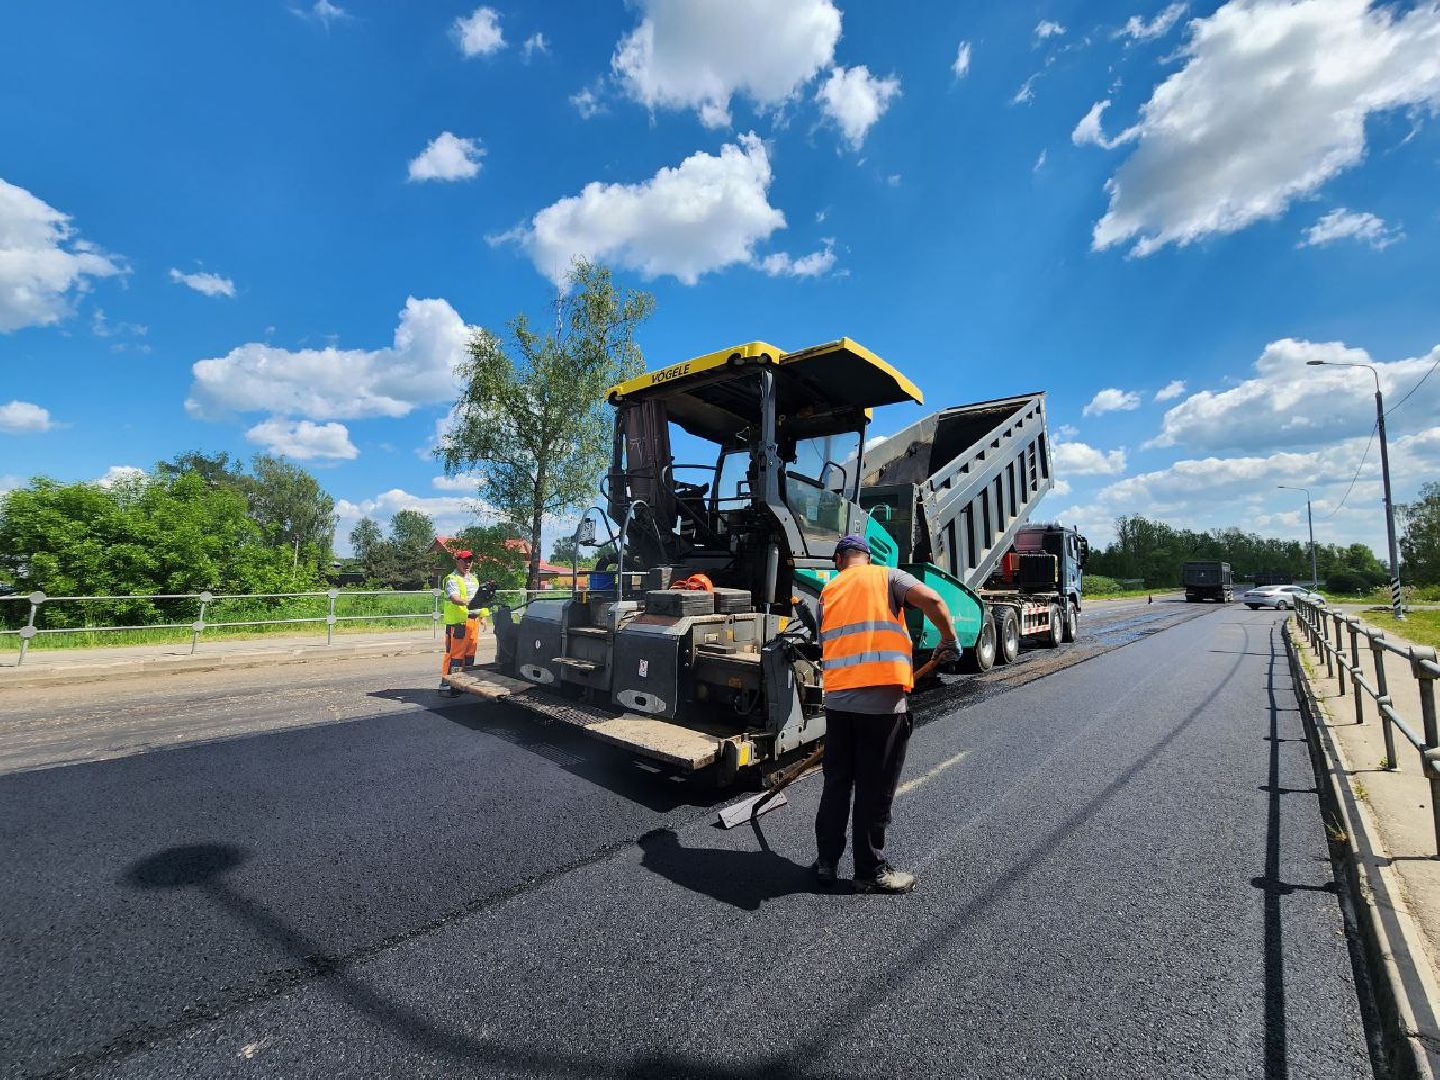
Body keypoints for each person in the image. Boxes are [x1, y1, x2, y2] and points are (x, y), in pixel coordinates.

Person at [814, 533, 959, 894]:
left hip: (837, 705)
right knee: (873, 788)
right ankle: (870, 870)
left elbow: (829, 645)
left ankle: (826, 862)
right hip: (881, 707)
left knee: (835, 785)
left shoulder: (827, 593)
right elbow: (933, 599)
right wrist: (949, 639)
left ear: (838, 560)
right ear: (866, 556)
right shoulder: (888, 577)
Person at [440, 549, 480, 695]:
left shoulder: (474, 580)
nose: (468, 563)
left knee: (469, 655)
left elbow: (479, 600)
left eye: (470, 560)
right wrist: (470, 602)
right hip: (458, 624)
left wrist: (482, 617)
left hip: (473, 622)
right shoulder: (452, 579)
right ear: (457, 561)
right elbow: (455, 598)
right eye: (464, 560)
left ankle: (464, 683)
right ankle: (448, 685)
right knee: (455, 656)